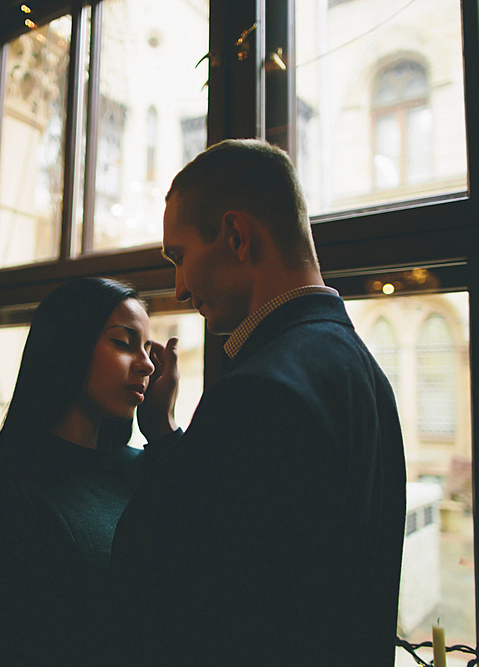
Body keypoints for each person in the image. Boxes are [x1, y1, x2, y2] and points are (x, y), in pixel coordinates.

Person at [108, 139, 406, 666]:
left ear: (236, 237)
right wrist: (166, 433)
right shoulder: (365, 374)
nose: (178, 289)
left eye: (179, 257)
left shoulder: (258, 392)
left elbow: (174, 590)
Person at [0, 277, 180, 666]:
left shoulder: (143, 468)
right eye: (124, 343)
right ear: (69, 344)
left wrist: (163, 427)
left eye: (148, 349)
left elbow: (208, 543)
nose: (146, 364)